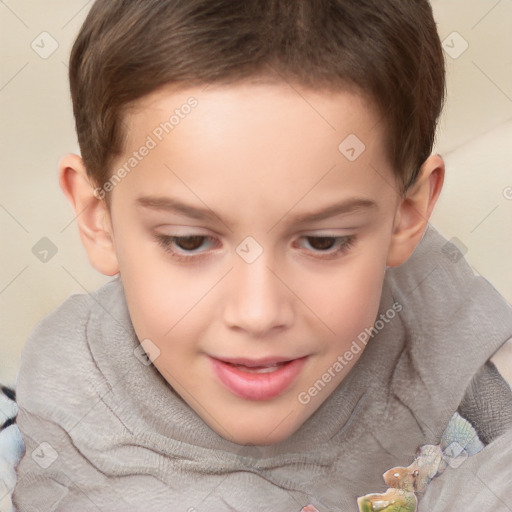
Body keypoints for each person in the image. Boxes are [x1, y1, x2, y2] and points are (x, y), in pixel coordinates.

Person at [11, 0, 512, 510]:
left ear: (408, 214)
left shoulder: (429, 301)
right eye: (189, 241)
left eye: (323, 242)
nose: (258, 312)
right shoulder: (83, 453)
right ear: (98, 217)